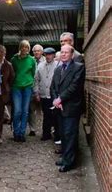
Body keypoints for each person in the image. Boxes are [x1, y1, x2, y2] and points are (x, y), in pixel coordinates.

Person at [51, 44, 85, 172]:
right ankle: (65, 157)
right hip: (59, 107)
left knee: (70, 134)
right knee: (63, 135)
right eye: (62, 52)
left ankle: (69, 162)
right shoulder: (58, 69)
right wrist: (55, 100)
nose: (64, 54)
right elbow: (53, 86)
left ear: (72, 54)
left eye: (66, 52)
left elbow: (74, 87)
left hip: (71, 107)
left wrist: (61, 99)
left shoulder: (79, 67)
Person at [11, 40, 36, 142]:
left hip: (27, 87)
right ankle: (16, 132)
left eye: (26, 47)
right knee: (17, 111)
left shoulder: (31, 60)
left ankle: (22, 133)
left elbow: (34, 74)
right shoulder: (14, 59)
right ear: (20, 48)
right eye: (23, 47)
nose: (24, 49)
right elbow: (11, 73)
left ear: (28, 49)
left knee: (25, 112)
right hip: (16, 87)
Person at [33, 47, 58, 141]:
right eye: (46, 54)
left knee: (55, 115)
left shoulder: (58, 65)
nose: (48, 56)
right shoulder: (40, 66)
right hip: (43, 94)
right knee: (46, 114)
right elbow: (36, 80)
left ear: (53, 55)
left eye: (50, 54)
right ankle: (46, 134)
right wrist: (36, 93)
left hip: (54, 95)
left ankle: (56, 134)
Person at [0, 45, 14, 144]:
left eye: (2, 51)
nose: (0, 54)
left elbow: (11, 79)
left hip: (2, 93)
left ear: (5, 53)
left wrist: (7, 89)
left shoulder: (8, 65)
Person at [28, 44, 45, 136]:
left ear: (42, 52)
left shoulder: (46, 61)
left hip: (43, 88)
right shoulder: (30, 60)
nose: (36, 52)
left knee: (44, 109)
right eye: (34, 51)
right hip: (31, 87)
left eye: (38, 51)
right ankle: (32, 129)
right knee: (31, 109)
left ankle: (45, 128)